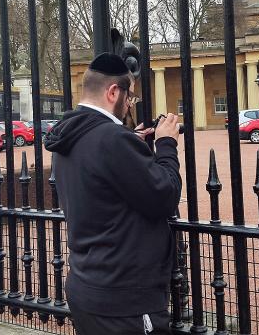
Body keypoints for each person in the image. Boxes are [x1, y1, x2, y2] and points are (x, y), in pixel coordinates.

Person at [45, 53, 182, 335]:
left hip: (87, 284)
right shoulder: (112, 138)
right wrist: (167, 144)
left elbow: (101, 178)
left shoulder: (68, 136)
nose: (129, 105)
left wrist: (130, 144)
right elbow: (165, 196)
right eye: (130, 97)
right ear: (113, 92)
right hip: (124, 298)